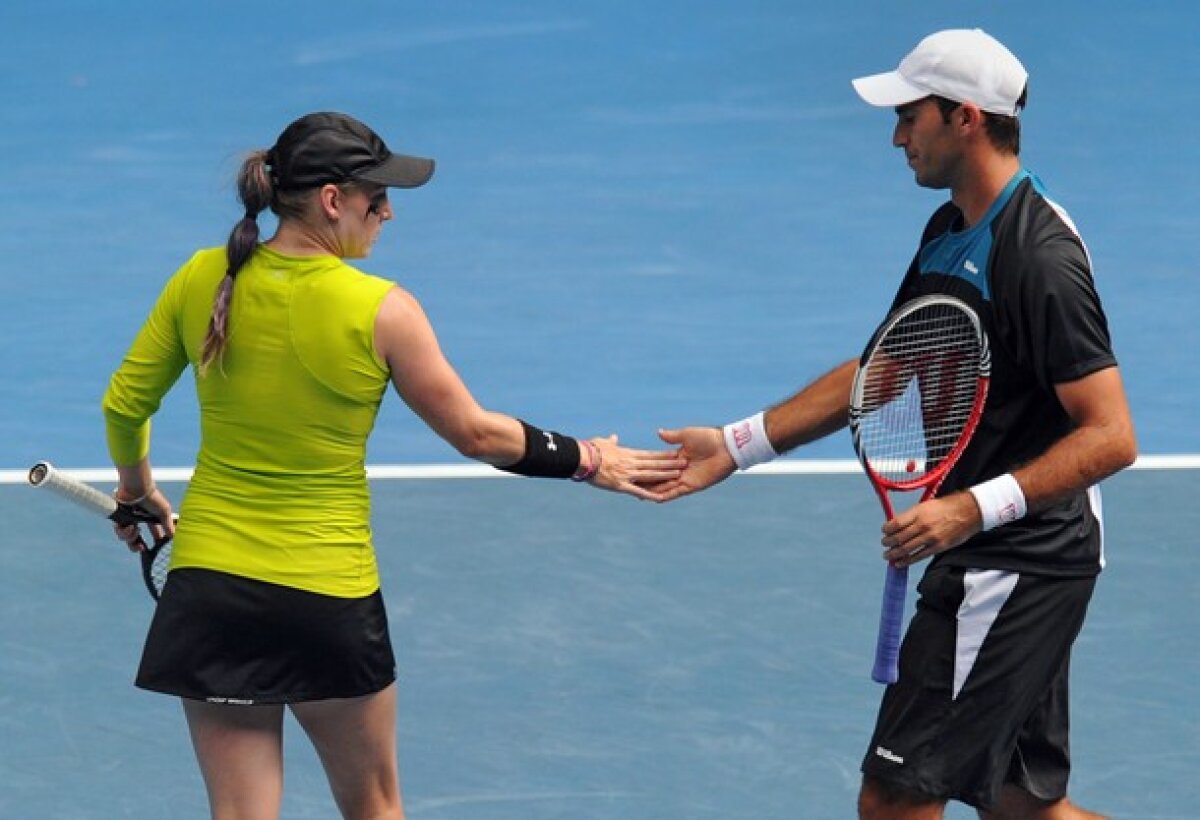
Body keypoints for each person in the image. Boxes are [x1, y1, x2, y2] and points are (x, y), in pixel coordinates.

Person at [101, 111, 685, 820]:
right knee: (374, 807)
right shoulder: (382, 309)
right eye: (376, 196)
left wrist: (138, 491)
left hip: (213, 593)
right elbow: (476, 434)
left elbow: (124, 405)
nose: (388, 211)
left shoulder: (202, 276)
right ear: (332, 200)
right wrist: (588, 458)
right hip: (324, 598)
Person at [655, 29, 1136, 819]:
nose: (897, 136)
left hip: (1014, 562)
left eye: (911, 116)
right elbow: (888, 369)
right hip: (1005, 552)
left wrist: (966, 509)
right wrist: (737, 446)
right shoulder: (950, 230)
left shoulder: (1037, 257)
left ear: (966, 118)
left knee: (894, 800)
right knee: (1023, 805)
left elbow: (1112, 435)